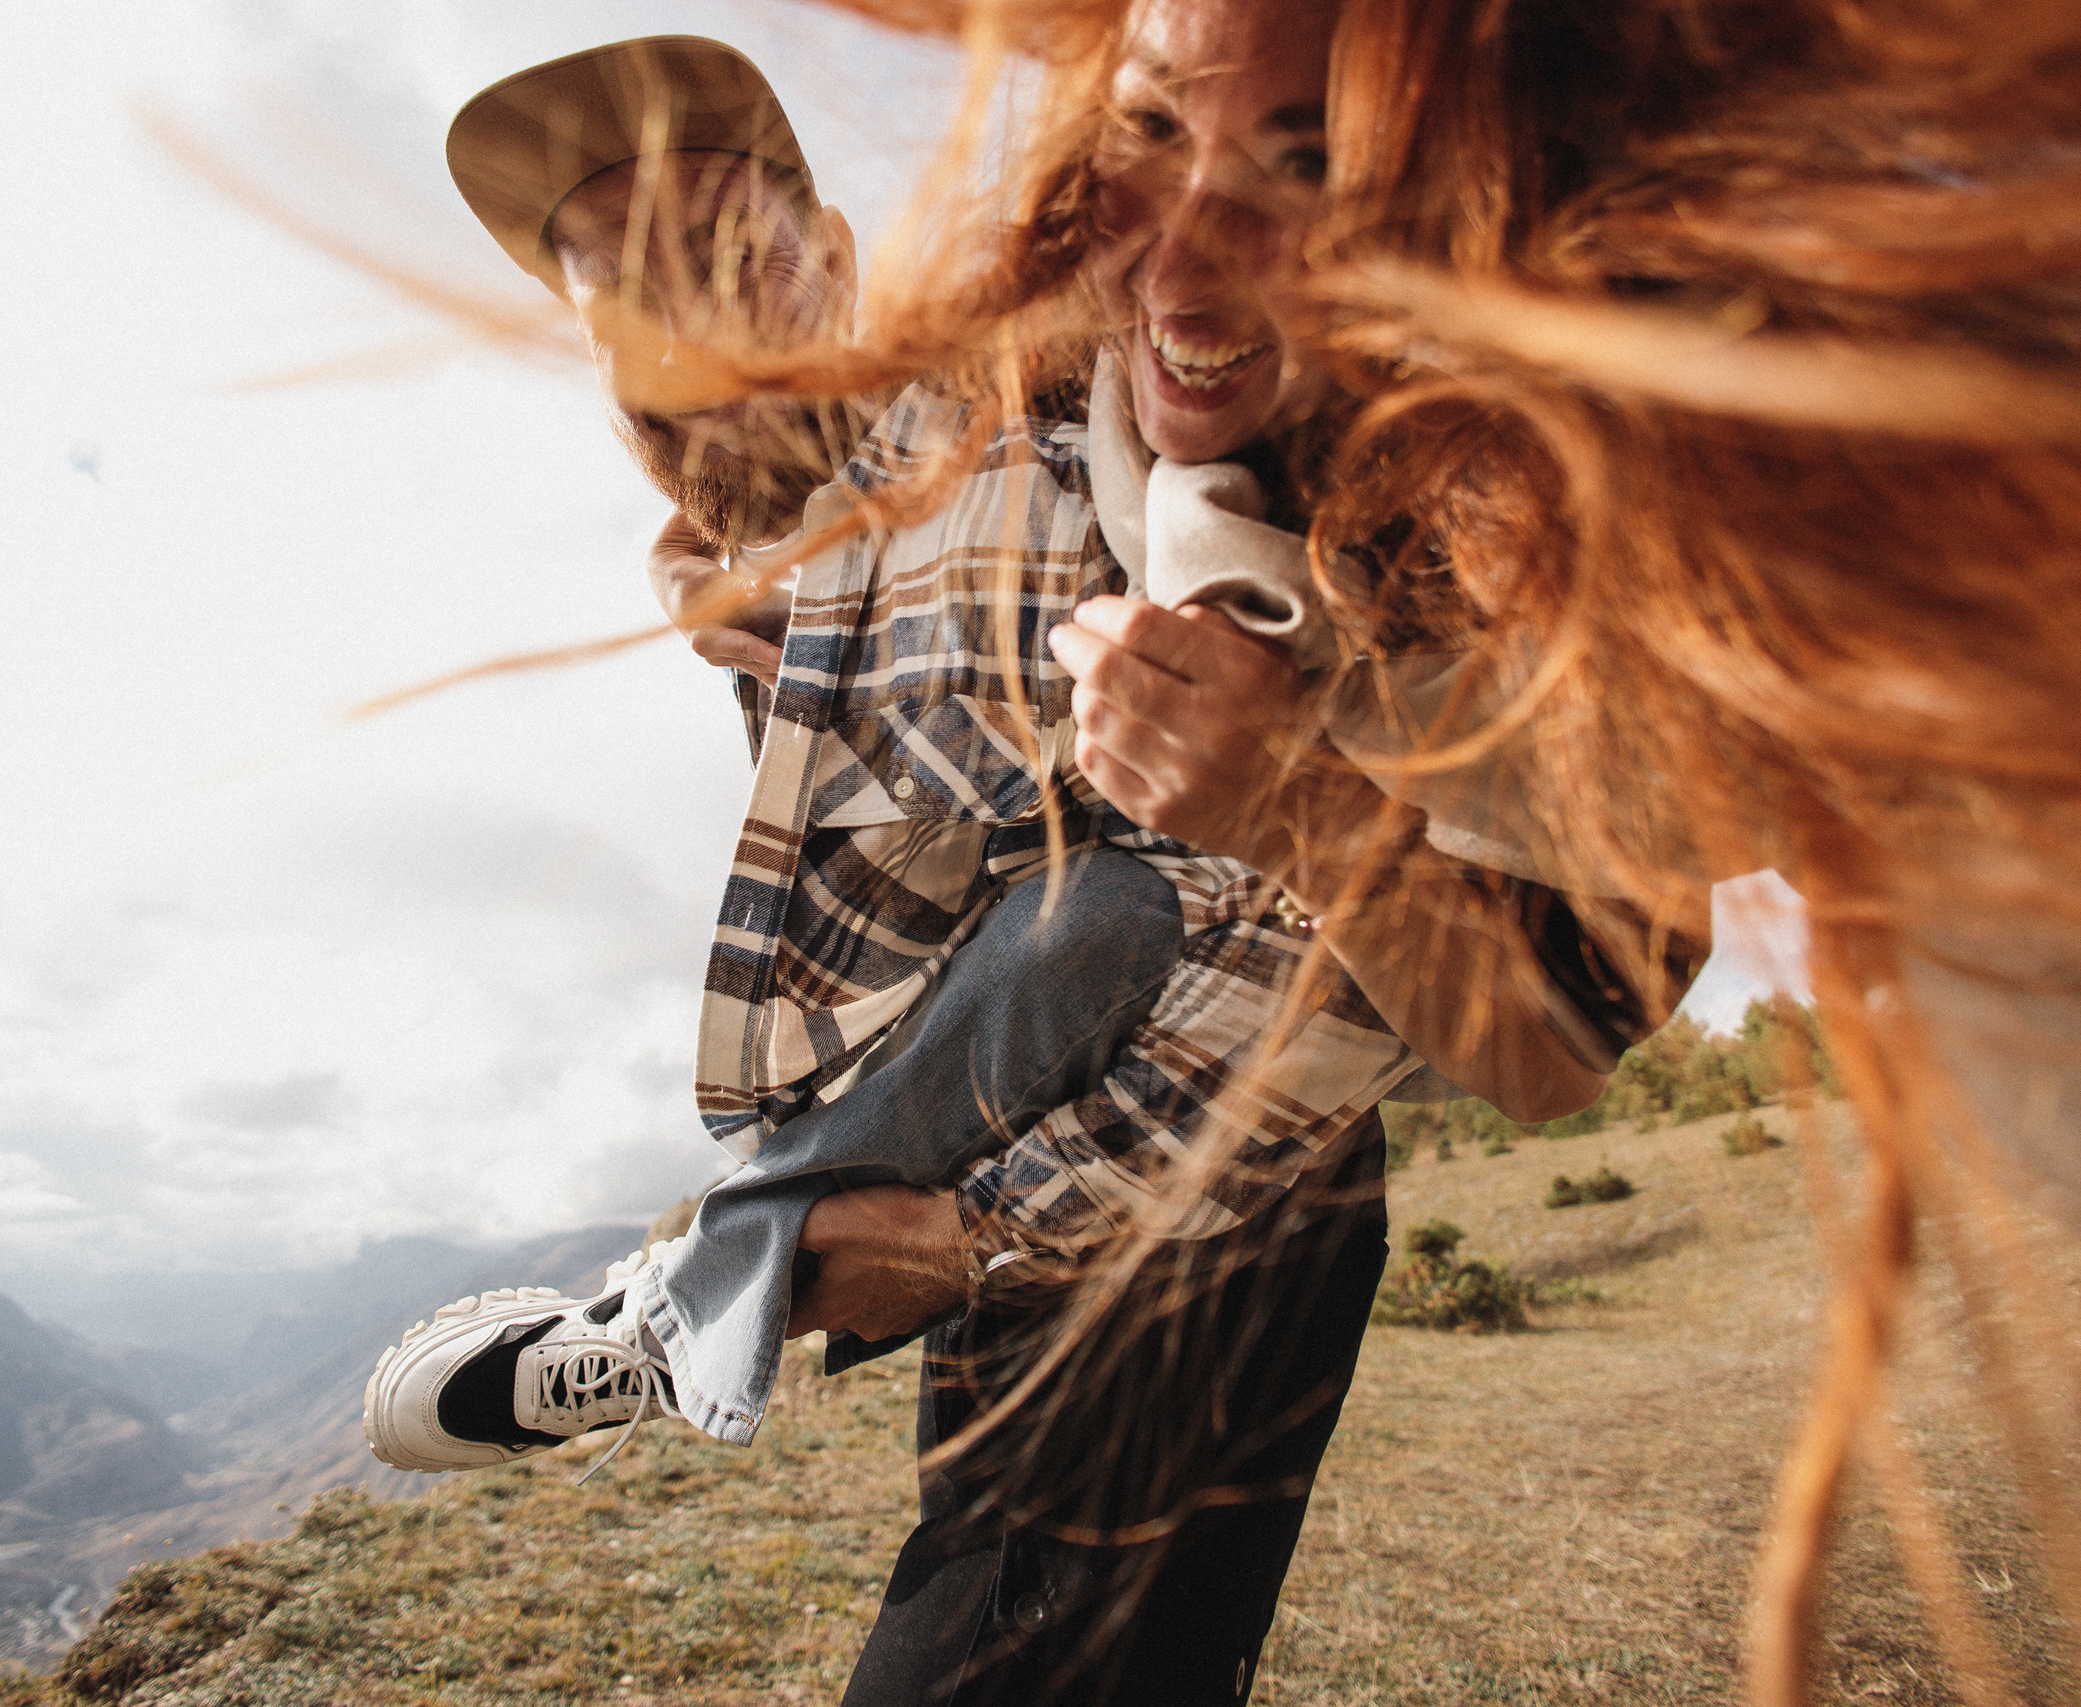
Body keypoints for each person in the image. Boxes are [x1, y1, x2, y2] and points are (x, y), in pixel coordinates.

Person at [358, 27, 1701, 1703]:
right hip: (1014, 1134)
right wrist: (706, 567)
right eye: (618, 287)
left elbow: (1529, 1012)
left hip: (1229, 1174)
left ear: (831, 251)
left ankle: (703, 1301)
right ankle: (721, 1290)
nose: (683, 305)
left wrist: (970, 1231)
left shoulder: (1079, 401)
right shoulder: (784, 567)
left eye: (717, 240)